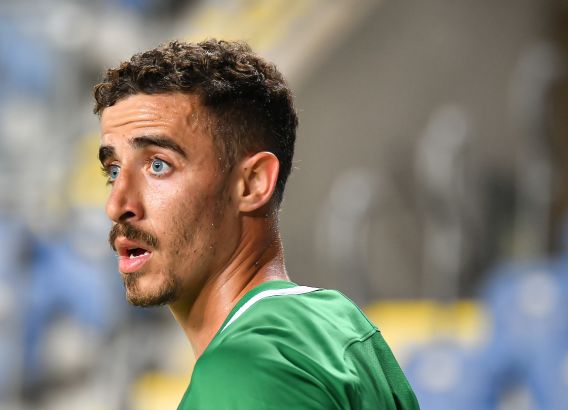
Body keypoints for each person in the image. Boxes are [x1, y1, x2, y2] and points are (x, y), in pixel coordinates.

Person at [94, 39, 419, 409]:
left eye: (158, 165)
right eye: (113, 171)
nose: (116, 205)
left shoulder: (242, 371)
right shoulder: (337, 320)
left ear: (252, 183)